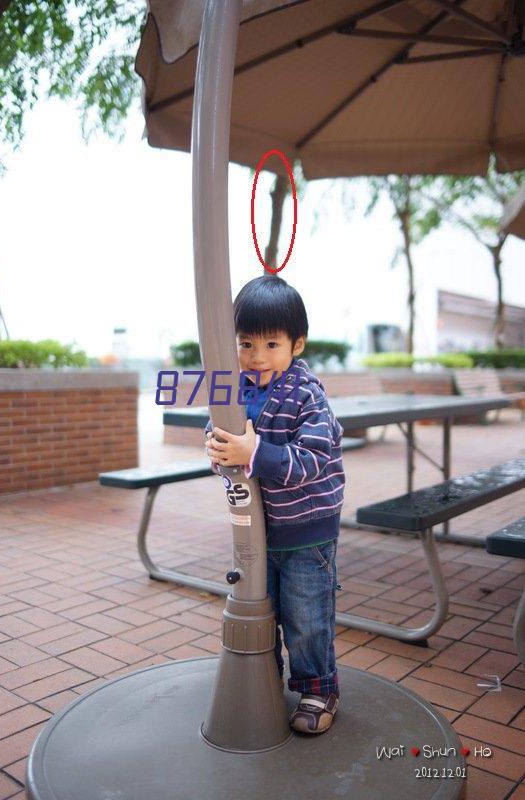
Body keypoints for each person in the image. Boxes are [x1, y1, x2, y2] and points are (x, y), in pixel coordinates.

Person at [205, 275, 346, 735]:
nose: (257, 357)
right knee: (265, 606)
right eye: (246, 343)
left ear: (296, 345)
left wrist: (254, 454)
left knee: (305, 614)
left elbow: (315, 457)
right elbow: (223, 443)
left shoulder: (307, 394)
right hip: (260, 529)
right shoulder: (233, 389)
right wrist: (220, 451)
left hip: (308, 529)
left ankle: (318, 689)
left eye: (271, 344)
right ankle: (269, 679)